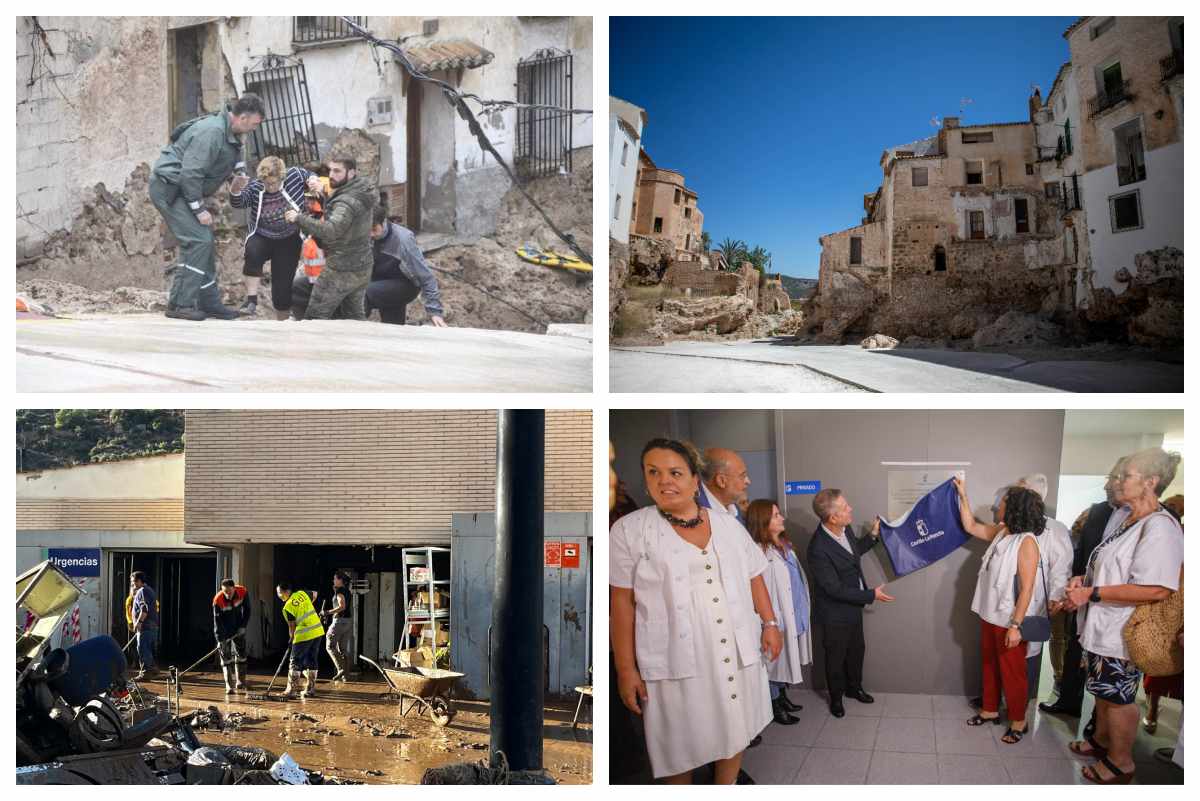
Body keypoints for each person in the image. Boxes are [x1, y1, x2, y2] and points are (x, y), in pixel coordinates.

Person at [610, 438, 782, 784]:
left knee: (736, 727)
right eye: (653, 472)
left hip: (734, 650)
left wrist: (770, 623)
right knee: (679, 744)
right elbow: (621, 604)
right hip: (674, 658)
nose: (664, 481)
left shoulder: (729, 526)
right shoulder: (630, 530)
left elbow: (755, 576)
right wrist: (625, 669)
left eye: (675, 472)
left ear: (694, 479)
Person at [1063, 447, 1184, 784]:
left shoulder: (1161, 527)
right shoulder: (1125, 517)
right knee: (1103, 692)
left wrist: (1093, 593)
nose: (1117, 480)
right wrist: (1082, 580)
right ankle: (1102, 740)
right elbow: (1107, 566)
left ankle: (1121, 762)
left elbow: (1158, 588)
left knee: (1118, 698)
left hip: (1123, 631)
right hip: (1102, 627)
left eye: (1125, 475)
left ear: (1151, 481)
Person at [149, 94, 265, 320]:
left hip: (182, 187)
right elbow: (191, 173)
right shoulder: (211, 132)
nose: (254, 129)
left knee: (205, 240)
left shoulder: (231, 130)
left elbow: (235, 152)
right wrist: (199, 209)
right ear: (242, 118)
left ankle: (209, 301)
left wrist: (239, 174)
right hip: (170, 188)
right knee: (197, 240)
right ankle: (179, 304)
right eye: (254, 124)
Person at [956, 480, 1046, 744]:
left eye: (1003, 503)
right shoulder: (1001, 532)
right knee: (989, 664)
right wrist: (963, 494)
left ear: (1015, 508)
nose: (998, 506)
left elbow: (1027, 589)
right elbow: (970, 526)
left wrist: (1016, 626)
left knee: (1013, 672)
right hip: (989, 613)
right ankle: (990, 709)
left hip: (1009, 620)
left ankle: (1019, 720)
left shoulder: (1027, 542)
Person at [1040, 457, 1128, 717]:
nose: (1107, 485)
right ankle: (1068, 700)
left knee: (1112, 680)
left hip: (1115, 605)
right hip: (1083, 596)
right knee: (1074, 648)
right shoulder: (1098, 511)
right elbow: (1085, 554)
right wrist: (1075, 581)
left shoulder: (1150, 520)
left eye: (1114, 478)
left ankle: (1100, 729)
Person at [805, 488, 891, 718]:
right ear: (832, 517)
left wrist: (873, 536)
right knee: (835, 657)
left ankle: (855, 688)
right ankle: (836, 699)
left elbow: (853, 553)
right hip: (834, 614)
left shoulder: (845, 528)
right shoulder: (817, 549)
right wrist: (871, 595)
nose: (850, 508)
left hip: (853, 609)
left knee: (856, 651)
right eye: (845, 507)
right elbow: (834, 589)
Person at [284, 156, 375, 320]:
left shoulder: (346, 203)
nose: (331, 175)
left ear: (352, 172)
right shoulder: (361, 188)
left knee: (315, 318)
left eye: (337, 171)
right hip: (362, 265)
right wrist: (324, 192)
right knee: (354, 318)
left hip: (341, 268)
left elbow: (332, 229)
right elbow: (341, 206)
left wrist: (299, 218)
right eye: (330, 170)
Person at [746, 500, 813, 726]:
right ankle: (774, 705)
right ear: (762, 520)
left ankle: (782, 697)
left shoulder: (783, 546)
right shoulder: (757, 551)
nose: (781, 518)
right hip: (776, 618)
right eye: (776, 515)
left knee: (785, 661)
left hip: (794, 613)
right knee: (774, 663)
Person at [228, 155, 314, 318]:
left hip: (289, 238)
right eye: (266, 183)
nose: (270, 187)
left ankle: (283, 323)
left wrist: (314, 182)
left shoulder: (294, 175)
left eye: (273, 183)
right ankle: (251, 300)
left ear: (282, 177)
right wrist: (235, 189)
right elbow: (239, 203)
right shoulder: (256, 186)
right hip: (263, 234)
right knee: (252, 250)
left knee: (282, 291)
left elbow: (311, 176)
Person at [1016, 474, 1073, 696]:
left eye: (1019, 490)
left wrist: (1056, 597)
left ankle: (1022, 704)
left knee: (1028, 653)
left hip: (1035, 601)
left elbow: (1061, 567)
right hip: (1007, 599)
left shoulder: (1055, 528)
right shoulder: (1013, 524)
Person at [366, 207, 447, 326]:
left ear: (383, 222)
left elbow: (425, 276)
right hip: (382, 281)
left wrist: (434, 310)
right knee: (393, 327)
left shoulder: (403, 239)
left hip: (405, 285)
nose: (371, 234)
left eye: (374, 229)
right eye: (367, 230)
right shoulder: (366, 236)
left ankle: (353, 332)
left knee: (364, 294)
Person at [276, 582, 326, 699]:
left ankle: (291, 691)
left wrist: (291, 640)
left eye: (280, 593)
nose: (279, 596)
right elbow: (315, 594)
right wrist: (305, 606)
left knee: (295, 661)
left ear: (287, 591)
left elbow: (292, 626)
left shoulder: (288, 606)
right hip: (317, 631)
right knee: (311, 659)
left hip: (304, 635)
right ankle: (310, 689)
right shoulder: (302, 594)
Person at [212, 579, 251, 693]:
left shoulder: (242, 592)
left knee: (241, 655)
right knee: (226, 658)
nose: (227, 595)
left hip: (238, 627)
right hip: (224, 630)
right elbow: (217, 623)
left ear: (234, 588)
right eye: (225, 592)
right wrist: (220, 640)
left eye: (229, 592)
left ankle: (241, 682)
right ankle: (229, 686)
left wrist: (243, 626)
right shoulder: (217, 600)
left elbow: (247, 610)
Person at [699, 447, 751, 524]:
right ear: (721, 481)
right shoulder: (695, 512)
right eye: (742, 476)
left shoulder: (734, 508)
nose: (748, 481)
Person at [130, 571, 160, 680]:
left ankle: (146, 672)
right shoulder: (149, 590)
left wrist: (139, 622)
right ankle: (153, 668)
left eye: (133, 582)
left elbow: (144, 609)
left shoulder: (142, 591)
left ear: (139, 581)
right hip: (151, 626)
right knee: (147, 648)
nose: (133, 585)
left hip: (146, 626)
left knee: (142, 648)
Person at [325, 572, 353, 683]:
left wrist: (327, 612)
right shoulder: (347, 591)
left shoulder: (340, 591)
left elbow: (342, 606)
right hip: (348, 622)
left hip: (339, 621)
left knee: (330, 646)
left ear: (340, 580)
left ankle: (340, 669)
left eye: (335, 578)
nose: (333, 580)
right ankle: (345, 676)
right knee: (343, 650)